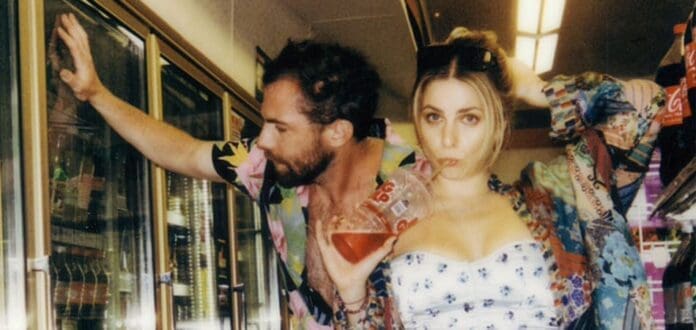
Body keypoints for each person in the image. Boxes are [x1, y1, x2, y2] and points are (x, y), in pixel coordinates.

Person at [54, 13, 419, 328]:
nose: (262, 141)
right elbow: (183, 152)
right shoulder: (269, 170)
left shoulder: (417, 181)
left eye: (281, 128)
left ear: (337, 131)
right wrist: (95, 93)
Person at [317, 27, 665, 329]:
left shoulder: (554, 200)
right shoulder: (387, 220)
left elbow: (645, 105)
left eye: (469, 118)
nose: (448, 139)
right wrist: (353, 297)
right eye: (434, 117)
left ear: (498, 122)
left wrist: (535, 89)